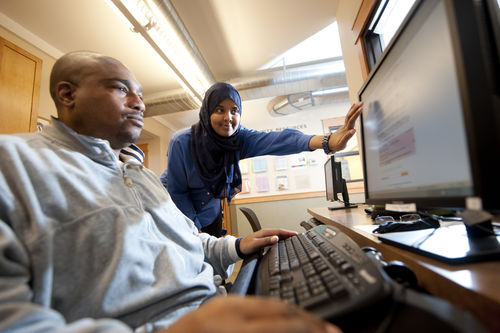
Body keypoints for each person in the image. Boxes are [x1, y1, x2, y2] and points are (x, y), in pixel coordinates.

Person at [0, 51, 340, 333]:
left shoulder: (139, 174)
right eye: (121, 90)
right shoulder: (12, 163)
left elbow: (183, 240)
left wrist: (234, 245)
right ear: (67, 94)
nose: (139, 104)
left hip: (220, 301)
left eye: (142, 96)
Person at [161, 82, 363, 236]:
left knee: (213, 270)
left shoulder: (239, 139)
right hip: (178, 211)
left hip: (210, 212)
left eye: (234, 110)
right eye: (219, 110)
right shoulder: (182, 142)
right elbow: (177, 192)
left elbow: (280, 140)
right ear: (206, 112)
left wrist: (327, 141)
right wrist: (194, 230)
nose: (228, 117)